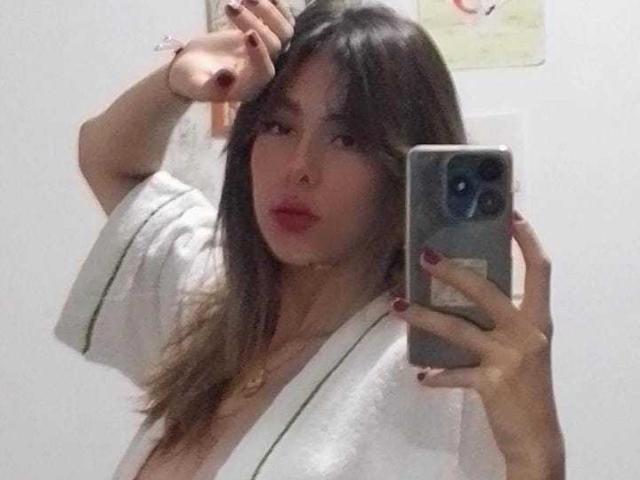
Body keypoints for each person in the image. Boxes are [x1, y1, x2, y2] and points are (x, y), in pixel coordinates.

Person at [54, 0, 565, 479]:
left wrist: (536, 452)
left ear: (403, 169)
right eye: (279, 126)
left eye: (347, 139)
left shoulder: (436, 377)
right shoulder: (212, 301)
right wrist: (177, 81)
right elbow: (107, 160)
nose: (300, 167)